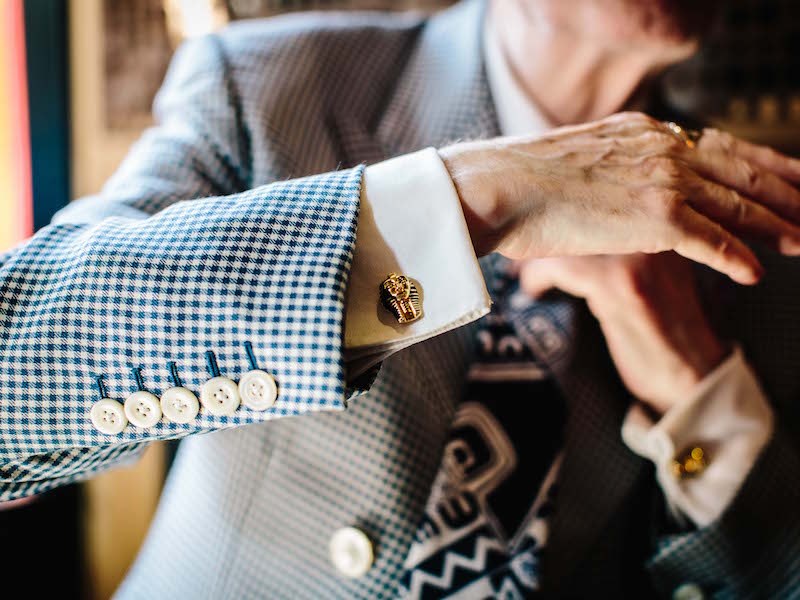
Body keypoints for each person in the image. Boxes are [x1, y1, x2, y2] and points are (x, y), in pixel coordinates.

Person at [2, 0, 799, 597]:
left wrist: (698, 390)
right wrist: (474, 200)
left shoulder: (762, 233)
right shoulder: (266, 87)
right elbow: (18, 371)